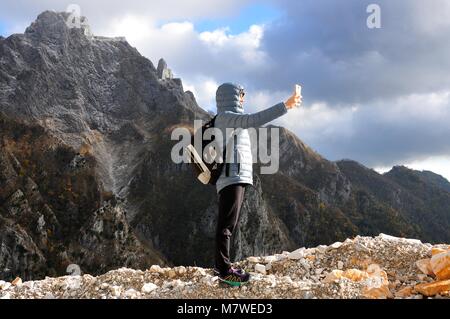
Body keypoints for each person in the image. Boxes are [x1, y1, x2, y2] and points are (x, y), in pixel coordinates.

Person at [213, 82, 301, 286]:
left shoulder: (229, 119)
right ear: (231, 96)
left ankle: (222, 266)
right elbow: (254, 120)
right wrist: (285, 105)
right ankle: (225, 272)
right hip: (231, 176)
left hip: (236, 175)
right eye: (241, 94)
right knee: (226, 225)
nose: (244, 97)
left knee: (230, 224)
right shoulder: (226, 117)